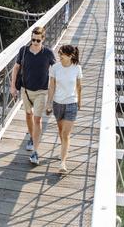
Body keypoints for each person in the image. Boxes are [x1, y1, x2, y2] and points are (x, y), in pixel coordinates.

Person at [10, 26, 56, 165]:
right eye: (33, 39)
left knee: (37, 120)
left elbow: (55, 71)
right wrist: (13, 86)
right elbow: (16, 68)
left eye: (37, 40)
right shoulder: (24, 50)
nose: (34, 43)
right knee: (28, 115)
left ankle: (35, 152)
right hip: (25, 90)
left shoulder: (48, 53)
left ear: (43, 39)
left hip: (41, 91)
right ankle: (31, 136)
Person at [46, 44, 82, 173]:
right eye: (59, 53)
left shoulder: (77, 68)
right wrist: (48, 103)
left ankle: (63, 163)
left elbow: (79, 86)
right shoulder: (55, 68)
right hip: (57, 103)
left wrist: (80, 101)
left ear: (70, 55)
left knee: (66, 134)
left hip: (72, 103)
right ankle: (63, 150)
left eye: (62, 54)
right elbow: (51, 87)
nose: (59, 56)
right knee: (61, 131)